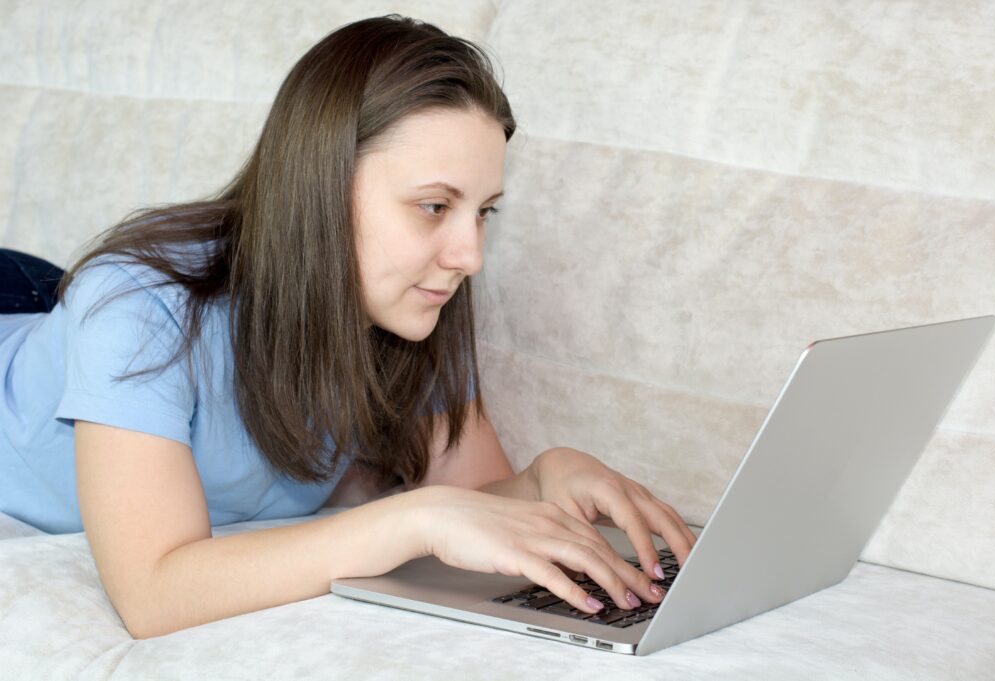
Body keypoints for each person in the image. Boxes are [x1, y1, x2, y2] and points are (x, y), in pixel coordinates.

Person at [0, 15, 696, 639]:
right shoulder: (136, 306)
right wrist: (410, 518)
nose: (469, 256)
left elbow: (473, 507)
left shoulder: (412, 299)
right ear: (320, 189)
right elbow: (154, 592)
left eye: (483, 211)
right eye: (433, 206)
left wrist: (544, 478)